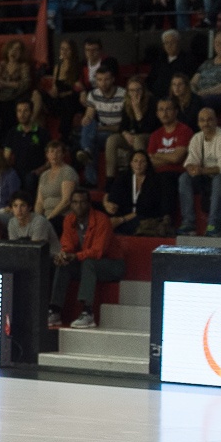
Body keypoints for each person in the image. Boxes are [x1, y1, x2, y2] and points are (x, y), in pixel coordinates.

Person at [48, 189, 125, 329]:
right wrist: (64, 255)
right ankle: (55, 310)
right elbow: (67, 245)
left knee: (89, 263)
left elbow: (98, 251)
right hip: (86, 262)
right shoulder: (69, 219)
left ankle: (87, 312)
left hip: (112, 265)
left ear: (89, 204)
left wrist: (75, 256)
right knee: (63, 264)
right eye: (75, 202)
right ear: (71, 204)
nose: (79, 206)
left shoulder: (102, 220)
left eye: (83, 202)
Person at [178, 107, 221, 237]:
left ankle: (214, 224)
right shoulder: (196, 138)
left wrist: (201, 170)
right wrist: (192, 168)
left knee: (219, 178)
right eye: (202, 120)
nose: (206, 123)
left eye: (209, 120)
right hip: (206, 178)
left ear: (216, 121)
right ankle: (188, 224)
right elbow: (190, 161)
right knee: (184, 178)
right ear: (198, 123)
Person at [78, 67, 126, 187]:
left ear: (113, 79)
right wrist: (86, 119)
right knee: (89, 124)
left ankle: (91, 180)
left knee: (90, 137)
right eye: (99, 80)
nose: (103, 83)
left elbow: (122, 126)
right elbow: (89, 116)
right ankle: (87, 151)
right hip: (101, 132)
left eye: (106, 79)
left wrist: (100, 128)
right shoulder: (93, 94)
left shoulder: (123, 95)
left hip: (118, 133)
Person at [147, 96, 193, 218]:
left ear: (176, 112)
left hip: (178, 172)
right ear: (157, 114)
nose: (164, 113)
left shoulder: (184, 130)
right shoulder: (155, 135)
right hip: (158, 173)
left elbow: (177, 158)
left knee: (166, 179)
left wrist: (159, 155)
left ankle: (167, 220)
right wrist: (168, 157)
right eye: (161, 110)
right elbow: (150, 161)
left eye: (168, 109)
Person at [103, 150, 169, 236]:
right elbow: (111, 194)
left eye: (142, 161)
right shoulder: (123, 178)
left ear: (147, 164)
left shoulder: (154, 181)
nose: (138, 164)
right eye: (135, 161)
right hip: (124, 215)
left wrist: (121, 219)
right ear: (131, 163)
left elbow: (148, 208)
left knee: (126, 227)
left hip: (145, 218)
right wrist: (108, 204)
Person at [3, 98, 50, 193]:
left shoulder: (42, 133)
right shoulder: (12, 132)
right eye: (19, 111)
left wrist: (39, 171)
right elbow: (6, 156)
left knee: (30, 179)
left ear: (31, 112)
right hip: (16, 172)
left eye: (25, 111)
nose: (22, 114)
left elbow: (49, 159)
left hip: (35, 172)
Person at [35, 140, 78, 233]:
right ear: (47, 155)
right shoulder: (44, 175)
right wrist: (37, 219)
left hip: (62, 216)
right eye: (51, 152)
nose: (54, 155)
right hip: (46, 217)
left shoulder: (67, 172)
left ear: (63, 155)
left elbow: (66, 201)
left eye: (58, 152)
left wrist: (49, 217)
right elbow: (39, 202)